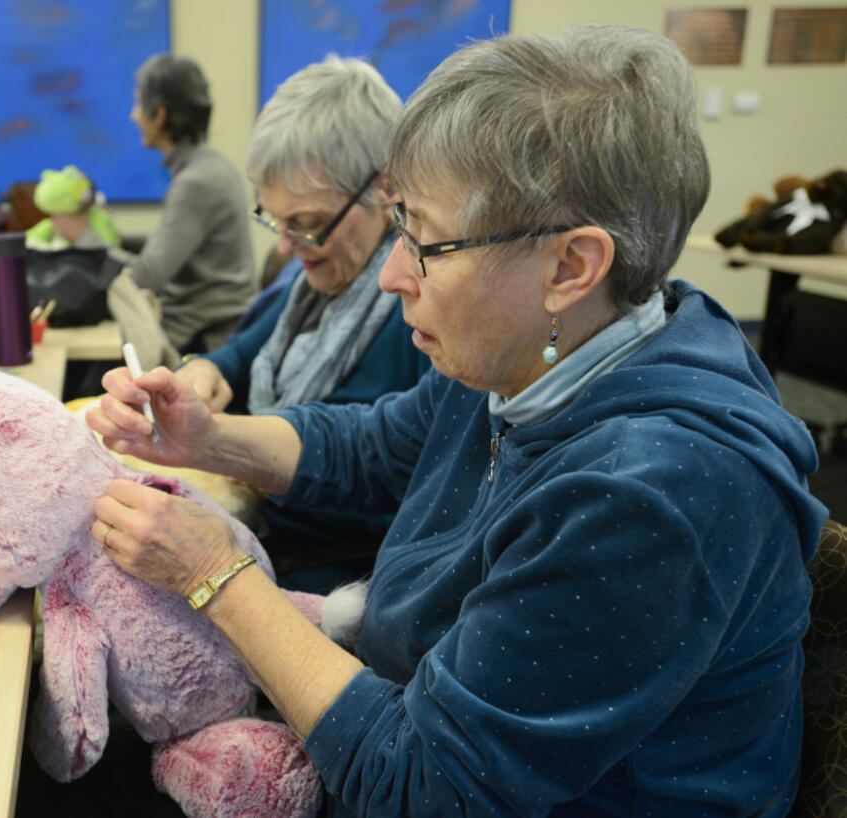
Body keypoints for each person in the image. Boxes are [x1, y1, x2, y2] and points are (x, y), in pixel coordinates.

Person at [85, 25, 828, 816]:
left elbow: (427, 789)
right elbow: (375, 447)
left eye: (428, 242)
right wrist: (211, 439)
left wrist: (215, 578)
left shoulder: (647, 495)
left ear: (571, 267)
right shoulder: (537, 350)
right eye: (397, 223)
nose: (394, 274)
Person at [173, 56, 432, 588]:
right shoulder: (314, 280)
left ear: (386, 188)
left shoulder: (422, 315)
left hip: (338, 581)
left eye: (308, 225)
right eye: (275, 220)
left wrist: (237, 455)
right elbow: (242, 355)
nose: (287, 247)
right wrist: (202, 372)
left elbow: (409, 492)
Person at [107, 54, 257, 355]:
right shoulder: (212, 168)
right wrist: (116, 240)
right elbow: (169, 251)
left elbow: (147, 275)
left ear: (159, 114)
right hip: (214, 334)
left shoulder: (195, 183)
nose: (133, 116)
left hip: (200, 344)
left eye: (138, 105)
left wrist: (87, 241)